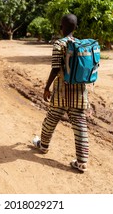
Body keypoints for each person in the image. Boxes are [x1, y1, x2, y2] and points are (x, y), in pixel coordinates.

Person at [33, 13, 90, 173]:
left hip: (61, 93)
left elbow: (56, 67)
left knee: (50, 120)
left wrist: (46, 87)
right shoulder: (81, 44)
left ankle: (43, 146)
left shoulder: (59, 44)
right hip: (79, 92)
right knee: (80, 127)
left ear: (61, 27)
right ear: (76, 27)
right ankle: (82, 162)